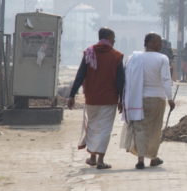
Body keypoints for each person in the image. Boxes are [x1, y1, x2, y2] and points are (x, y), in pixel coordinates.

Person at [68, 27, 124, 170]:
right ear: (109, 38)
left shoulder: (89, 52)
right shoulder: (117, 56)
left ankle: (92, 157)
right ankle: (100, 160)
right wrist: (122, 100)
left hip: (91, 98)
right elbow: (120, 81)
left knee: (92, 127)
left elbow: (80, 75)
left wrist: (72, 95)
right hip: (109, 99)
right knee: (105, 129)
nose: (115, 40)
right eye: (113, 37)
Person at [120, 33, 175, 169]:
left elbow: (127, 79)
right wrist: (170, 98)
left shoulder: (135, 58)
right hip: (157, 98)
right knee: (155, 130)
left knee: (140, 129)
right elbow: (166, 79)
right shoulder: (162, 58)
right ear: (149, 42)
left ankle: (141, 159)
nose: (160, 45)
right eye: (158, 42)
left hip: (139, 99)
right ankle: (153, 157)